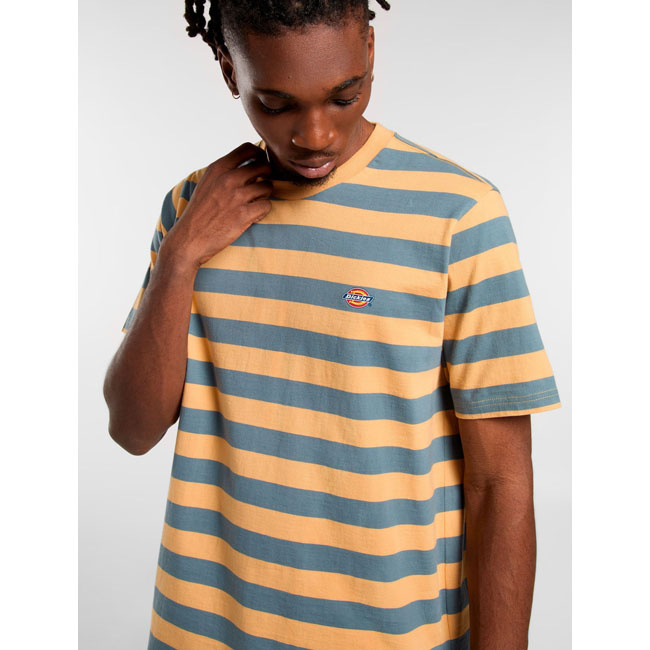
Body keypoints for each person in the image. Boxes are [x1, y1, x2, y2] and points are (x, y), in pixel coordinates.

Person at [103, 1, 561, 648]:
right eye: (277, 104)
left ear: (369, 48)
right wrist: (180, 257)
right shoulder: (192, 207)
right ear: (230, 71)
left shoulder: (459, 214)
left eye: (345, 96)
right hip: (200, 631)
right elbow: (132, 429)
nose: (315, 134)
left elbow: (501, 483)